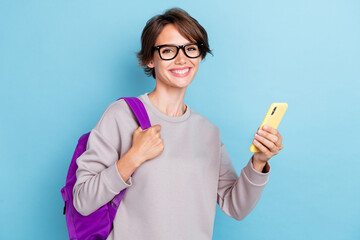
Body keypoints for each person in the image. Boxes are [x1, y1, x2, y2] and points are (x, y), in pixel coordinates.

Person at [73, 8, 284, 240]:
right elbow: (83, 201)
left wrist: (259, 161)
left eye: (191, 49)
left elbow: (236, 206)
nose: (181, 58)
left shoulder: (208, 131)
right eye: (168, 50)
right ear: (150, 59)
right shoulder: (121, 115)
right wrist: (133, 158)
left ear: (200, 56)